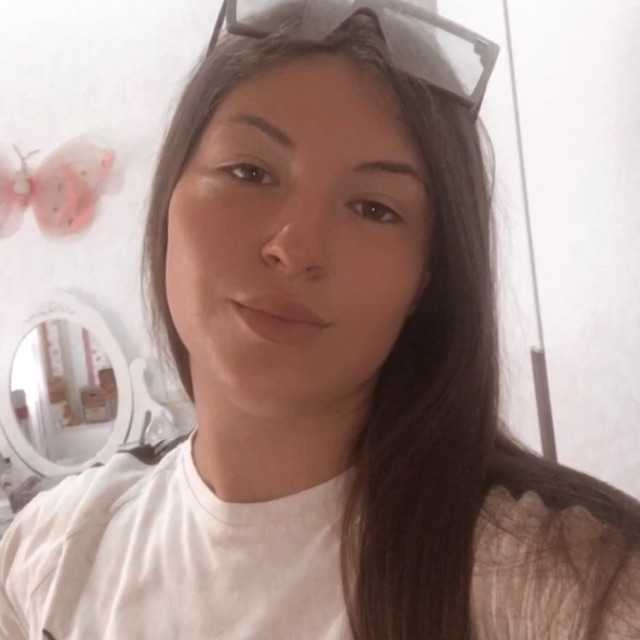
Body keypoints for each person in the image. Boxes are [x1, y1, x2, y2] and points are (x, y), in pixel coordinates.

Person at [2, 6, 640, 640]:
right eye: (250, 172)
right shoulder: (49, 554)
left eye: (373, 208)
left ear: (427, 279)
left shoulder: (555, 582)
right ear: (169, 197)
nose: (295, 247)